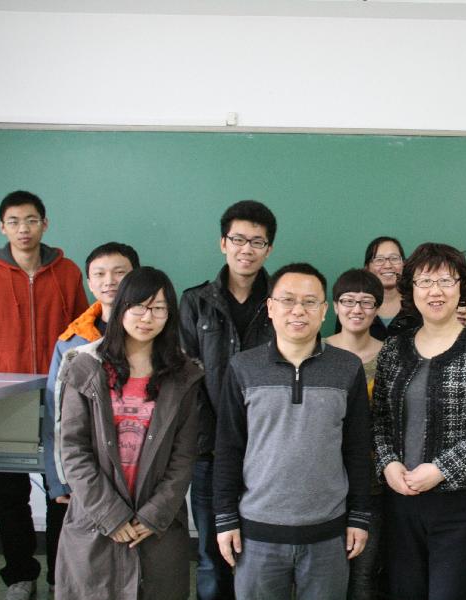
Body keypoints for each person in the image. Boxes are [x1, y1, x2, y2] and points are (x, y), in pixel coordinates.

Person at [0, 190, 88, 600]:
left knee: (61, 489)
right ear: (2, 227)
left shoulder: (66, 271)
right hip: (6, 398)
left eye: (30, 220)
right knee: (9, 493)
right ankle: (19, 576)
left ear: (45, 224)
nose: (23, 229)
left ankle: (59, 576)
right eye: (13, 221)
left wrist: (68, 371)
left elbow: (82, 328)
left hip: (60, 394)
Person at [214, 263, 372, 600]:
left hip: (328, 533)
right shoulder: (243, 367)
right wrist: (225, 518)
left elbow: (358, 449)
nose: (298, 310)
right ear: (270, 307)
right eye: (287, 300)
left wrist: (359, 516)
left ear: (324, 310)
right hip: (257, 533)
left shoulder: (347, 368)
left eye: (309, 302)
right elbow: (228, 448)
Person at [373, 242, 466, 600]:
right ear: (411, 289)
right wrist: (388, 464)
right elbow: (380, 421)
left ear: (461, 287)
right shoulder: (393, 349)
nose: (436, 291)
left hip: (461, 503)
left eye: (446, 281)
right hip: (401, 499)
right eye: (425, 282)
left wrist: (441, 470)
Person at [55, 267, 201, 600]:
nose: (147, 317)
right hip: (96, 518)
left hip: (157, 525)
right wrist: (110, 514)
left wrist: (153, 515)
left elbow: (183, 456)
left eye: (158, 308)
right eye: (138, 306)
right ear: (121, 307)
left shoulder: (184, 376)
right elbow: (73, 450)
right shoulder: (85, 368)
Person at [179, 200, 276, 600]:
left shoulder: (281, 300)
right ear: (223, 243)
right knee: (211, 554)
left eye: (257, 241)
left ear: (269, 249)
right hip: (209, 451)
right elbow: (186, 380)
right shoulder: (195, 302)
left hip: (266, 451)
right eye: (238, 239)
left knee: (261, 554)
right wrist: (220, 436)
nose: (246, 249)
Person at [42, 242, 140, 589]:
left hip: (136, 469)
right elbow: (55, 415)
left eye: (119, 273)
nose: (109, 281)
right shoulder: (71, 342)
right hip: (85, 471)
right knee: (86, 567)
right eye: (99, 274)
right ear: (88, 282)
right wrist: (58, 478)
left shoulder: (153, 333)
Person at [325, 268, 384, 600]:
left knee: (363, 576)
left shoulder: (390, 355)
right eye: (348, 301)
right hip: (323, 484)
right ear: (335, 306)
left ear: (377, 309)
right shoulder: (317, 352)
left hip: (374, 485)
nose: (356, 309)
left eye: (366, 302)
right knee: (322, 578)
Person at [334, 236, 420, 340]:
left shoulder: (417, 304)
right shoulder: (351, 306)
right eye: (379, 260)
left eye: (394, 258)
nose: (388, 265)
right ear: (367, 267)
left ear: (403, 264)